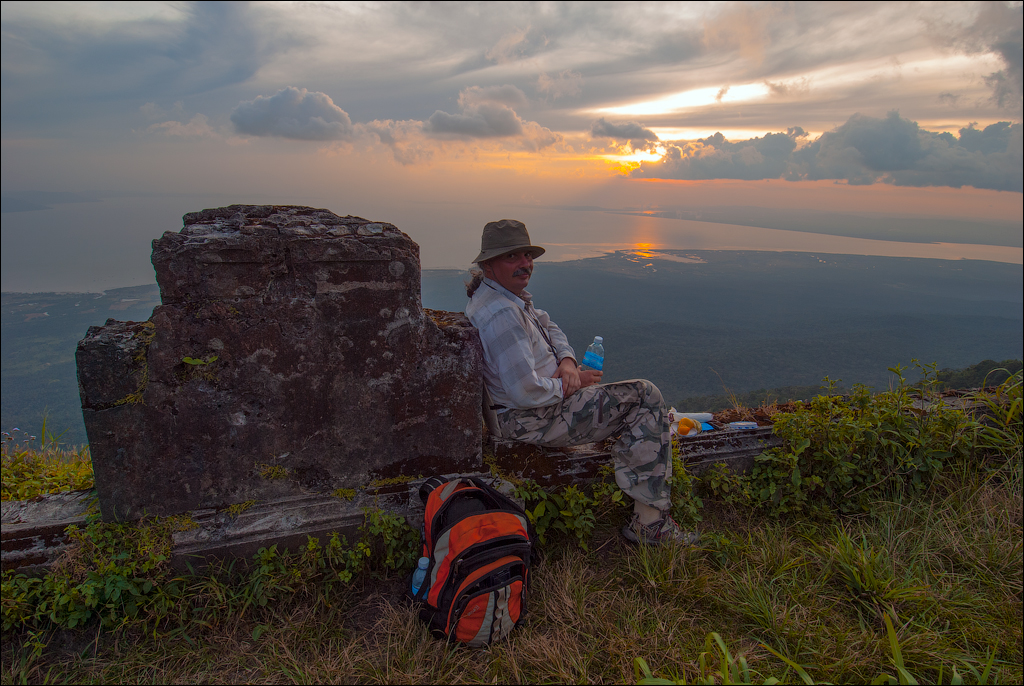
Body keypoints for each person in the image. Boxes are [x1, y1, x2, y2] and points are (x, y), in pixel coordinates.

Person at [465, 219, 697, 545]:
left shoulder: (508, 299)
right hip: (528, 417)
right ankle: (650, 524)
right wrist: (570, 386)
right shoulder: (502, 314)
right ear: (489, 264)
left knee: (629, 395)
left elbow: (550, 325)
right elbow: (524, 391)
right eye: (512, 257)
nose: (525, 264)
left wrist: (568, 362)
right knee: (644, 396)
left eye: (527, 256)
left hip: (540, 403)